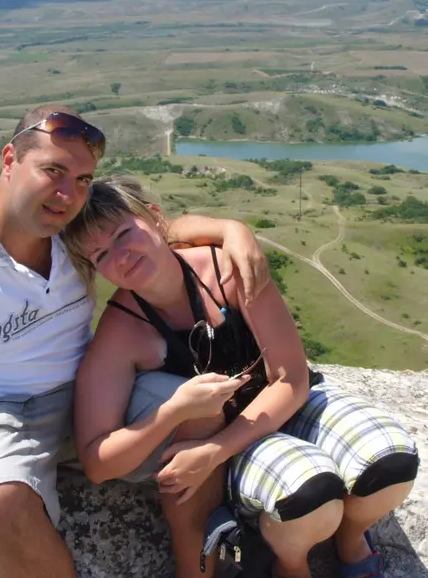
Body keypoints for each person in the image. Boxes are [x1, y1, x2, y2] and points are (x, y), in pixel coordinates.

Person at [64, 176, 420, 578]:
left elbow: (291, 378)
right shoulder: (121, 333)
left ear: (156, 220)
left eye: (124, 234)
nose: (121, 256)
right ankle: (291, 565)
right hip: (237, 449)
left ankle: (351, 536)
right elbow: (96, 462)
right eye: (101, 255)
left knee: (393, 463)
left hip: (285, 407)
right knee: (311, 498)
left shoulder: (227, 268)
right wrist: (174, 412)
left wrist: (214, 449)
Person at [0, 104, 269, 578]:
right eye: (53, 171)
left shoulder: (69, 232)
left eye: (82, 179)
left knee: (197, 404)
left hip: (88, 396)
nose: (67, 193)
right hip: (1, 413)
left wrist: (230, 230)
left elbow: (154, 231)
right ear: (10, 160)